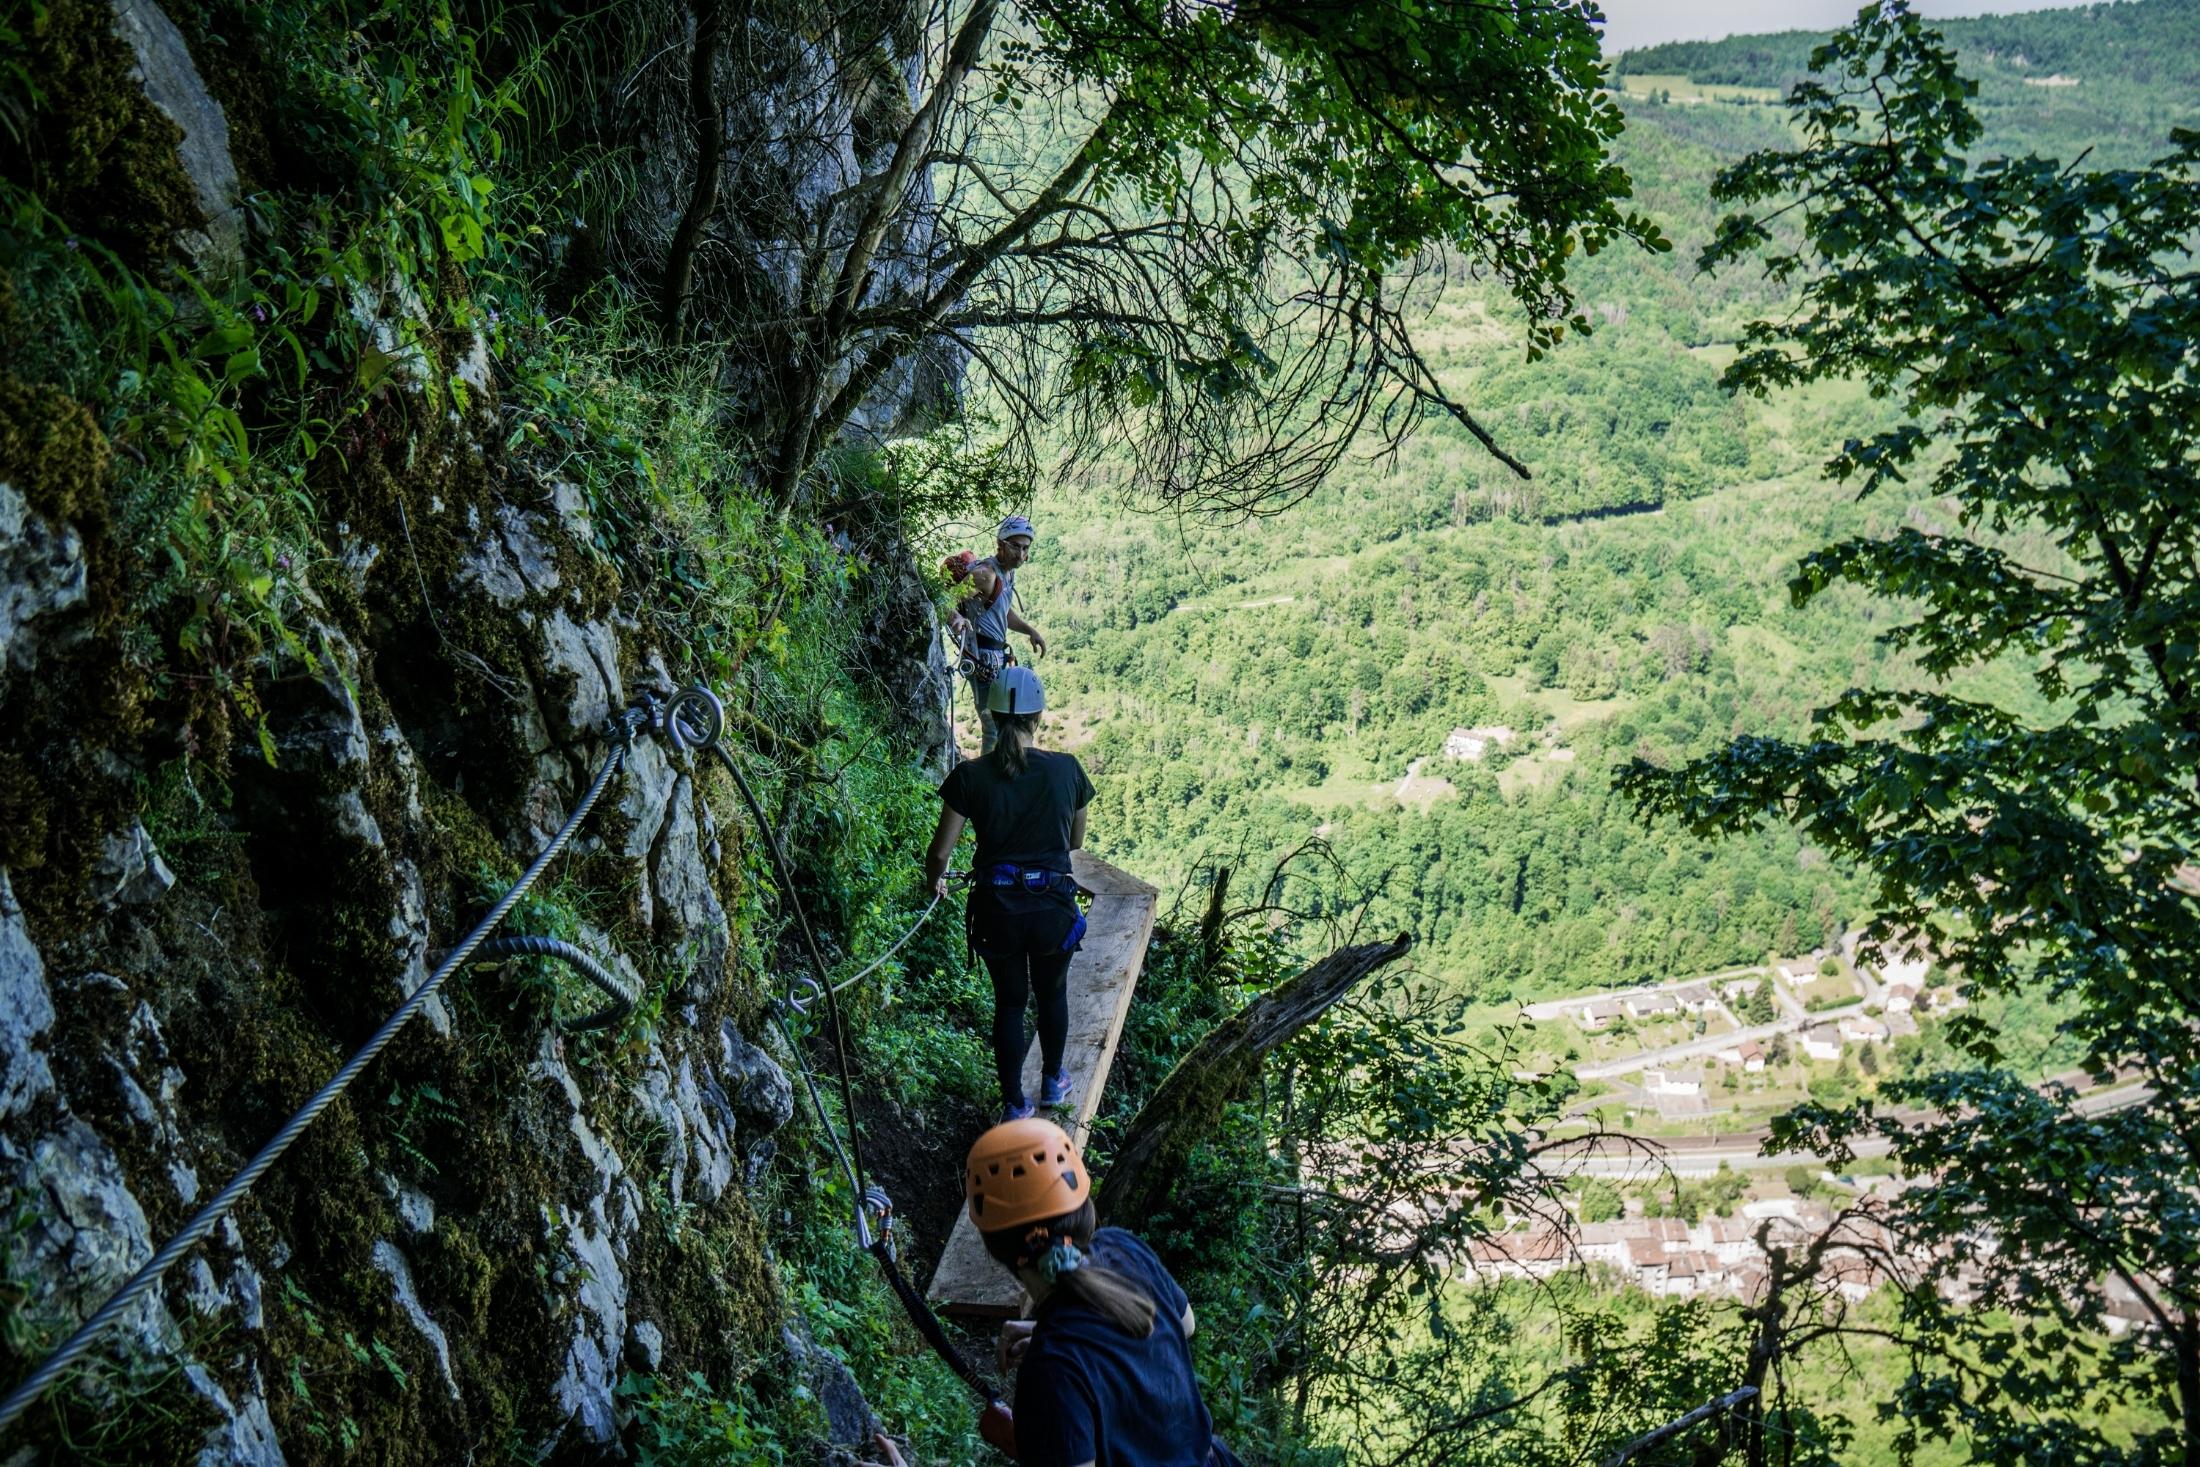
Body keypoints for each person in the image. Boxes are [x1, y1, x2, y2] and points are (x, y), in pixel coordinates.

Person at [962, 1118, 1242, 1467]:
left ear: (995, 1249)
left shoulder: (1051, 1369)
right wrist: (1072, 1336)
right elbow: (1185, 1324)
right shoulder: (1124, 1248)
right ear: (1083, 1209)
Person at [924, 666, 1091, 1120]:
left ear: (994, 715)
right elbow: (1074, 843)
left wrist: (932, 881)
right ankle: (1054, 1082)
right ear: (1037, 716)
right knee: (1052, 995)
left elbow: (940, 853)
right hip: (1053, 908)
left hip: (998, 910)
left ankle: (1015, 1105)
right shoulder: (1067, 771)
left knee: (1011, 1003)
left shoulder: (970, 777)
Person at [950, 514, 1050, 755]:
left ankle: (995, 773)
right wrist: (957, 617)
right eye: (1015, 546)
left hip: (994, 656)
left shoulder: (1007, 574)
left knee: (1000, 723)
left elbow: (1001, 611)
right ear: (1001, 544)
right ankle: (987, 782)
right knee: (992, 725)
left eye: (1025, 548)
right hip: (980, 657)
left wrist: (1029, 630)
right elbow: (947, 599)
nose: (1021, 554)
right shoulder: (986, 574)